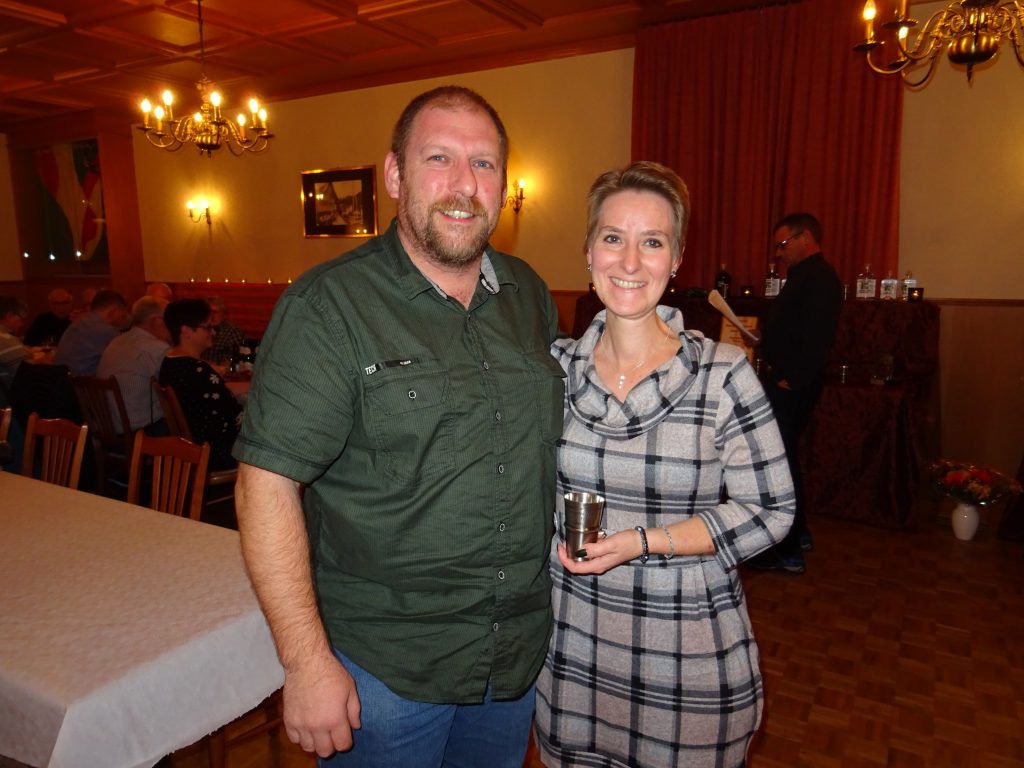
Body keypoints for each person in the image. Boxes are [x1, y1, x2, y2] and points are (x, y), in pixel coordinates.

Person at [232, 85, 564, 767]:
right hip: (384, 671)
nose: (464, 185)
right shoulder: (329, 306)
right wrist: (305, 662)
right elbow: (264, 486)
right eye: (439, 158)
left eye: (484, 163)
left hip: (511, 658)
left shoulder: (529, 294)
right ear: (394, 175)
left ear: (504, 183)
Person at [533, 162, 795, 768]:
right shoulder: (551, 372)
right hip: (574, 656)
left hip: (687, 661)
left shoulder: (721, 375)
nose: (630, 261)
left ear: (676, 259)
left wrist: (644, 542)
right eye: (613, 238)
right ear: (588, 251)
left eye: (652, 242)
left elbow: (772, 511)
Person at [751, 213, 842, 574]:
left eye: (783, 244)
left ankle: (786, 550)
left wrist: (795, 377)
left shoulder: (819, 278)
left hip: (793, 383)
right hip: (789, 378)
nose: (779, 252)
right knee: (785, 458)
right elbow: (794, 329)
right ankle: (798, 532)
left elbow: (818, 338)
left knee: (781, 464)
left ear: (806, 238)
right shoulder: (804, 275)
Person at [159, 299, 242, 470]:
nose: (213, 332)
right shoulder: (197, 370)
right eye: (207, 327)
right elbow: (233, 414)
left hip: (193, 446)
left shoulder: (170, 362)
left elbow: (217, 395)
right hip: (213, 453)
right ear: (186, 331)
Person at [97, 296, 171, 432]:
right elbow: (176, 387)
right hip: (142, 431)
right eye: (170, 320)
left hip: (110, 427)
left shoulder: (116, 341)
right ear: (156, 321)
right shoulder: (156, 348)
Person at [53, 289, 129, 376]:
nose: (122, 320)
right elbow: (124, 361)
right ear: (112, 312)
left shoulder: (76, 324)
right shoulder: (107, 331)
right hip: (83, 383)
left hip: (59, 380)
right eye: (122, 315)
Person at [201, 296, 246, 365]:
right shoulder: (199, 330)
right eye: (208, 312)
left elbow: (234, 361)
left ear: (224, 314)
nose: (211, 315)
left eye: (215, 312)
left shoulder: (233, 332)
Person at [0, 296, 31, 398]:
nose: (23, 324)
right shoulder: (6, 339)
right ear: (9, 316)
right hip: (7, 402)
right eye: (22, 319)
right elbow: (29, 375)